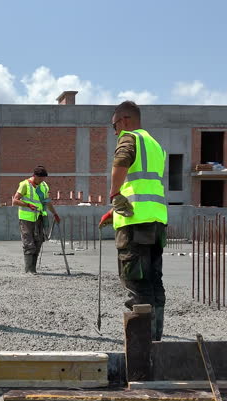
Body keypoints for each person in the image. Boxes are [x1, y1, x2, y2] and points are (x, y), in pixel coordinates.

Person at [99, 101, 167, 340]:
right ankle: (155, 337)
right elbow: (142, 183)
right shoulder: (155, 144)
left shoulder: (129, 138)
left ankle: (141, 342)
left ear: (125, 120)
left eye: (114, 125)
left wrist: (115, 195)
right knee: (153, 280)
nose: (115, 131)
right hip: (156, 221)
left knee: (135, 281)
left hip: (135, 222)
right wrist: (113, 211)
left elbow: (121, 163)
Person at [12, 166, 60, 274]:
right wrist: (28, 204)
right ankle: (28, 269)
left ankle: (33, 268)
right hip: (26, 219)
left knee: (38, 241)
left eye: (43, 179)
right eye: (40, 179)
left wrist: (55, 213)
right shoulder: (24, 185)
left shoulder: (43, 185)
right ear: (34, 176)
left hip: (39, 217)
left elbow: (47, 202)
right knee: (29, 243)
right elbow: (15, 201)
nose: (42, 181)